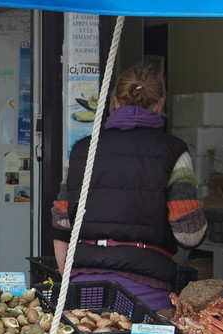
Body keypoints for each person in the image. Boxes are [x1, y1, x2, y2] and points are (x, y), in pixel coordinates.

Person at [50, 65, 207, 311]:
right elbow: (189, 234)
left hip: (84, 289)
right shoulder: (174, 151)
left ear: (114, 100)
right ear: (160, 103)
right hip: (147, 292)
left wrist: (69, 277)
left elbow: (61, 225)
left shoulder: (82, 151)